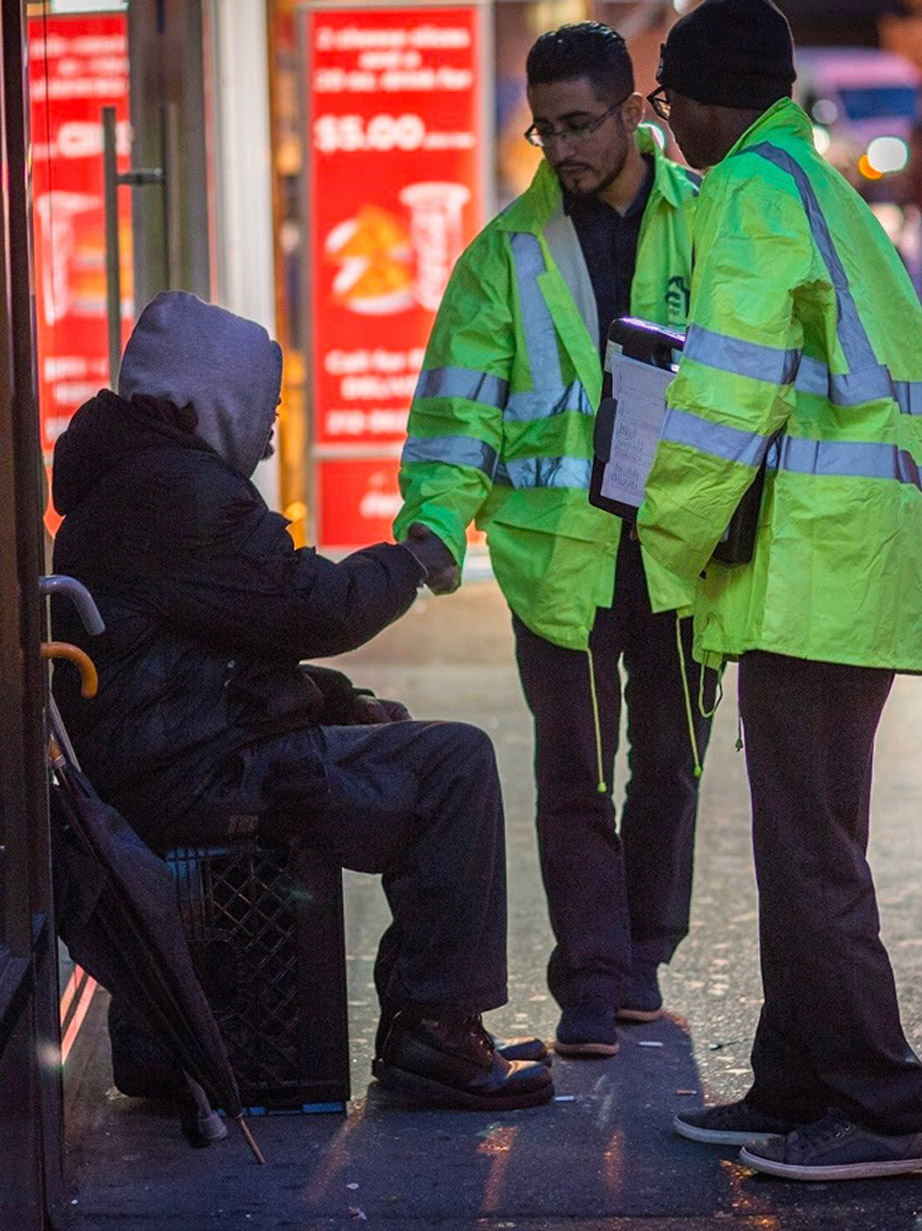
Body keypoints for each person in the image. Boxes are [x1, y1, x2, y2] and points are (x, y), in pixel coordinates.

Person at [50, 290, 554, 1113]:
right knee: (453, 765)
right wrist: (412, 560)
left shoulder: (131, 479)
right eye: (265, 407)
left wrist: (333, 702)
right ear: (214, 400)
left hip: (173, 759)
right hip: (200, 779)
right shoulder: (177, 491)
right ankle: (435, 1029)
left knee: (396, 738)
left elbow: (222, 642)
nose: (273, 431)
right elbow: (311, 605)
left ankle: (429, 1024)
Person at [638, 0, 922, 1182]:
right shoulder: (810, 182)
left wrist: (662, 538)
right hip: (833, 563)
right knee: (805, 842)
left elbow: (724, 397)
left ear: (707, 99)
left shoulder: (749, 194)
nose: (666, 125)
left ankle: (880, 1106)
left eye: (663, 103)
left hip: (814, 564)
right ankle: (798, 1080)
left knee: (809, 851)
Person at [394, 21, 709, 1057]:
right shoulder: (506, 256)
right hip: (555, 559)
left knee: (672, 761)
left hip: (679, 551)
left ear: (632, 112)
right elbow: (457, 413)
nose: (563, 148)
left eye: (580, 124)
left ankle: (642, 959)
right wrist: (434, 524)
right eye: (544, 130)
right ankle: (590, 982)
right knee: (575, 775)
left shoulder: (708, 227)